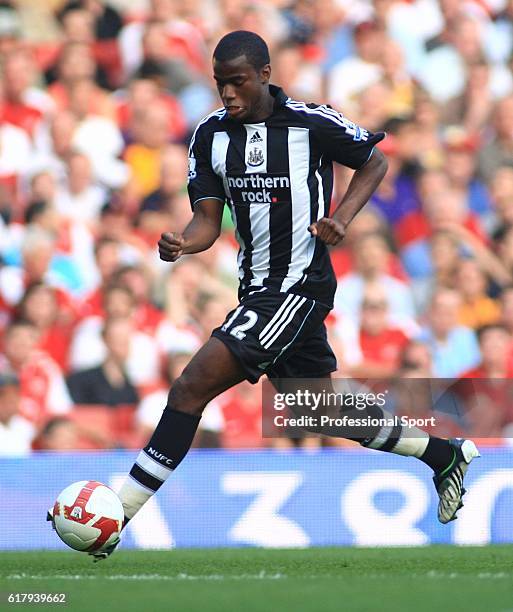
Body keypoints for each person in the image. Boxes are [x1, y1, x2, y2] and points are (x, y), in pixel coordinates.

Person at [48, 30, 479, 559]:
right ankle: (442, 455)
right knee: (316, 410)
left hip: (298, 287)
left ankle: (118, 516)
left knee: (189, 386)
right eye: (219, 83)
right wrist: (184, 243)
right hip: (256, 287)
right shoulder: (209, 136)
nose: (227, 94)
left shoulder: (310, 123)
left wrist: (341, 218)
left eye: (238, 82)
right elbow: (207, 219)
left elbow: (374, 162)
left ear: (265, 76)